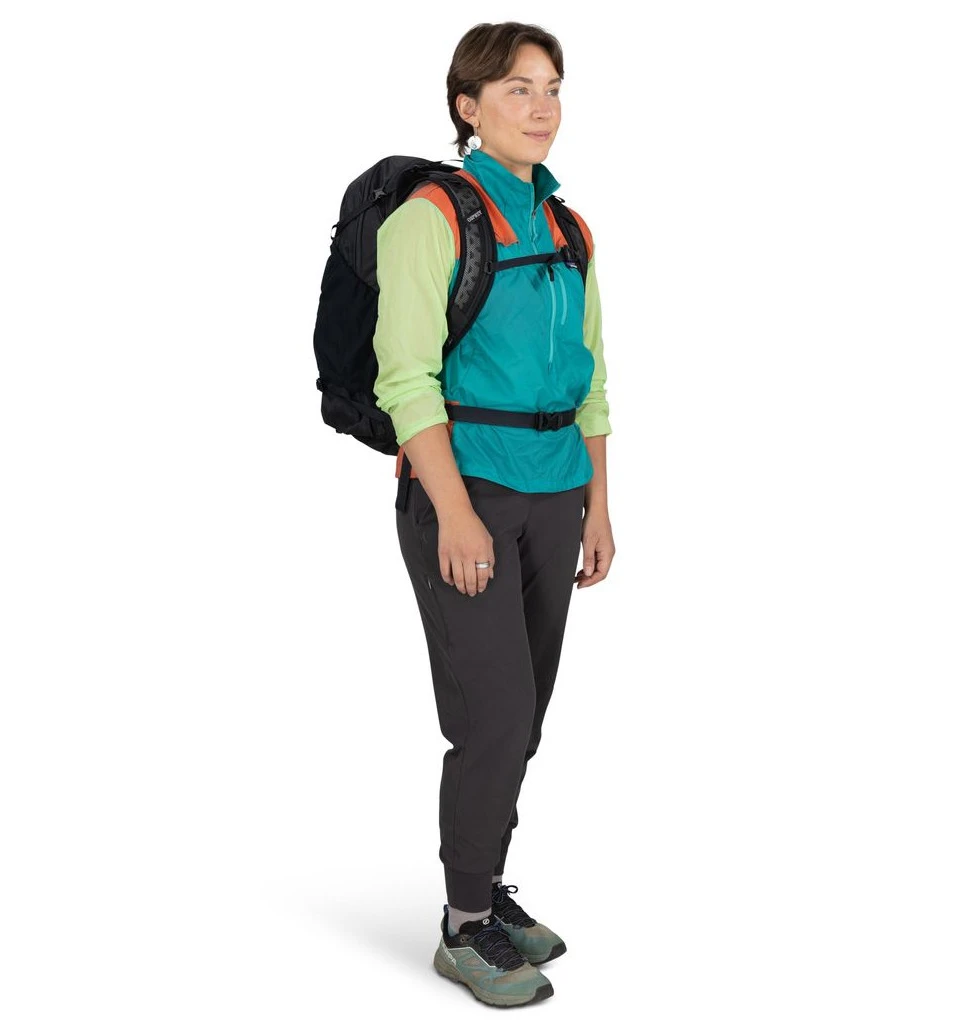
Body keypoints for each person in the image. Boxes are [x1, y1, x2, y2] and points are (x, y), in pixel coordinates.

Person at [372, 21, 615, 1007]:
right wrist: (453, 513)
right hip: (465, 493)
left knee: (525, 715)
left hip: (556, 491)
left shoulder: (569, 227)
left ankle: (486, 886)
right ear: (467, 107)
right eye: (517, 88)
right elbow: (405, 379)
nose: (542, 106)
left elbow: (592, 378)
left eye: (552, 87)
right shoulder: (429, 218)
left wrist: (598, 503)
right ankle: (463, 922)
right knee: (493, 712)